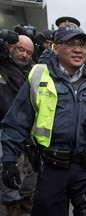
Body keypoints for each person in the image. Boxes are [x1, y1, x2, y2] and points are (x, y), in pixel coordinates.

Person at [0, 23, 86, 216]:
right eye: (70, 43)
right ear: (55, 48)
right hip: (52, 169)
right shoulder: (39, 75)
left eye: (82, 45)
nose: (78, 49)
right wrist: (8, 161)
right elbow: (17, 121)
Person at [0, 34, 37, 216]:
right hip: (4, 126)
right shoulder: (2, 65)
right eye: (20, 49)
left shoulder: (33, 70)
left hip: (29, 126)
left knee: (33, 166)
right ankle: (11, 202)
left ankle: (26, 196)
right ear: (9, 47)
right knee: (7, 164)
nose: (24, 55)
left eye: (29, 52)